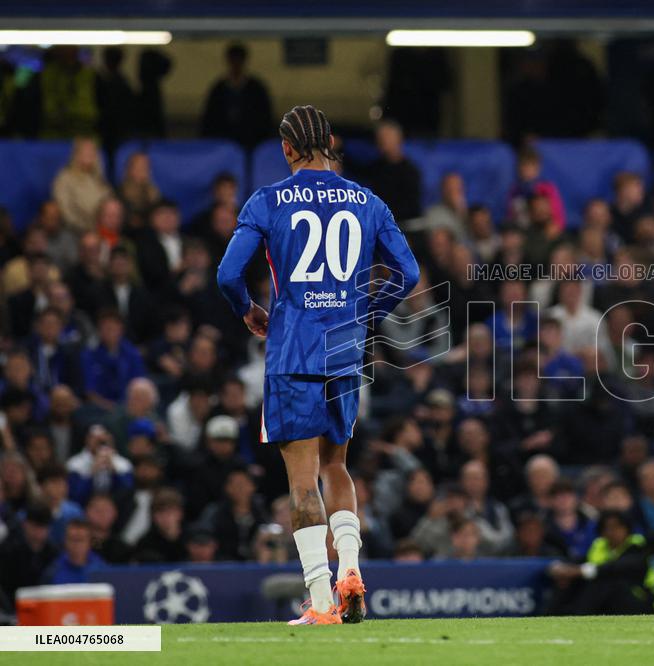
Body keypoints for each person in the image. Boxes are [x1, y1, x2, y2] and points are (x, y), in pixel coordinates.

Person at [217, 105, 418, 625]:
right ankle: (350, 570)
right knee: (338, 467)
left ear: (286, 149)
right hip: (344, 351)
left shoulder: (267, 201)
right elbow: (409, 272)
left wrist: (248, 311)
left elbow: (227, 274)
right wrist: (365, 314)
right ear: (329, 142)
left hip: (293, 353)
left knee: (303, 481)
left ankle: (323, 601)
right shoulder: (368, 200)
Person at [200, 43, 273, 151]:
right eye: (233, 60)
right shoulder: (218, 90)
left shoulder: (256, 89)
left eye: (238, 60)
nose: (236, 64)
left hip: (251, 145)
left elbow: (265, 118)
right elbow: (209, 119)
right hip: (223, 145)